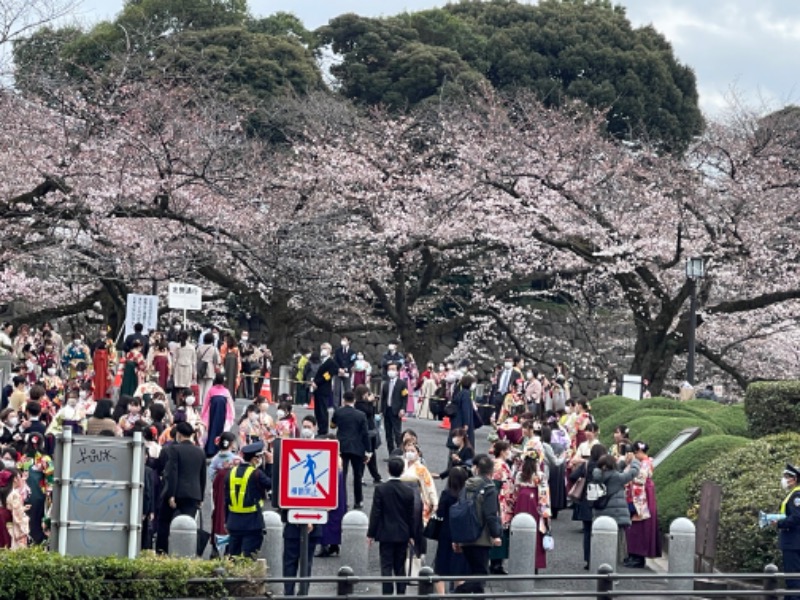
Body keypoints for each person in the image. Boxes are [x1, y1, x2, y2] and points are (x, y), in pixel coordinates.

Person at [455, 454, 503, 594]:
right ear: (491, 471)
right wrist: (496, 534)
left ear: (477, 469)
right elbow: (490, 515)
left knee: (474, 572)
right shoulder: (489, 488)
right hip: (481, 536)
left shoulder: (467, 485)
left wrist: (457, 538)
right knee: (481, 575)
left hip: (465, 534)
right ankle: (457, 593)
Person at [367, 456, 416, 596]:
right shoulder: (408, 491)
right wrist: (412, 535)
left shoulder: (381, 489)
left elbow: (376, 513)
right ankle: (401, 593)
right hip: (403, 532)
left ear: (388, 470)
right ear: (402, 471)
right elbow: (411, 516)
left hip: (386, 532)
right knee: (400, 566)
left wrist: (371, 533)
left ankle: (387, 594)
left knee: (386, 565)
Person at [156, 422, 207, 554]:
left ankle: (162, 552)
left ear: (178, 434)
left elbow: (173, 472)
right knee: (188, 525)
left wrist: (171, 494)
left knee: (164, 523)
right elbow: (202, 475)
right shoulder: (200, 451)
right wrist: (201, 496)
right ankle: (186, 553)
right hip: (194, 494)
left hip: (176, 492)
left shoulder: (175, 449)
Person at [592, 452, 641, 568]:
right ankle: (610, 572)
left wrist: (623, 462)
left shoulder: (596, 475)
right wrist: (634, 461)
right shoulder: (616, 477)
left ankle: (598, 567)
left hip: (600, 514)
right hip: (615, 516)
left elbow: (616, 469)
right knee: (615, 547)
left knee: (601, 545)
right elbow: (632, 473)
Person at [225, 440, 272, 558]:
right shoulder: (256, 473)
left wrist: (226, 521)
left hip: (233, 522)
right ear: (255, 459)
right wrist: (270, 464)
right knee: (248, 559)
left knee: (233, 558)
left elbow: (226, 499)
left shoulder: (231, 472)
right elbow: (271, 484)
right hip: (252, 523)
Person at [512, 438, 551, 573]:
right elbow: (545, 495)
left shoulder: (519, 475)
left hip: (521, 502)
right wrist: (546, 513)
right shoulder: (540, 476)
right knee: (536, 531)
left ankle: (518, 562)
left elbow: (514, 492)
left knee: (519, 529)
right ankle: (534, 564)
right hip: (535, 502)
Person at [624, 441, 662, 568]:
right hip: (636, 495)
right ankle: (633, 554)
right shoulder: (640, 462)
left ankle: (638, 556)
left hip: (642, 497)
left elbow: (640, 478)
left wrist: (629, 474)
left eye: (635, 453)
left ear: (639, 452)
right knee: (633, 527)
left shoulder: (646, 462)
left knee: (640, 527)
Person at [433, 466, 469, 594]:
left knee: (441, 566)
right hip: (462, 534)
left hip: (446, 532)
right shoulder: (467, 495)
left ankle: (441, 596)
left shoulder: (447, 494)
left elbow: (440, 513)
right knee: (459, 567)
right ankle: (459, 593)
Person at [331, 391, 371, 509]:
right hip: (357, 447)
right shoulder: (361, 415)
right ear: (354, 401)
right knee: (357, 475)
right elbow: (365, 434)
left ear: (343, 400)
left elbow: (332, 425)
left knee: (342, 475)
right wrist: (368, 451)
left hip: (342, 446)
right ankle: (358, 501)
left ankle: (343, 500)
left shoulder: (338, 412)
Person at [774, 463, 800, 600]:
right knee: (792, 579)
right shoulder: (793, 494)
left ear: (794, 479)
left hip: (793, 543)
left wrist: (779, 523)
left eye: (786, 476)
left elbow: (797, 517)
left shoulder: (797, 495)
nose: (784, 479)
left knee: (794, 580)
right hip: (793, 542)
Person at [201, 373, 235, 457]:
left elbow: (205, 404)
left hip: (212, 414)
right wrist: (232, 416)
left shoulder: (211, 390)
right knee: (221, 431)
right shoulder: (226, 391)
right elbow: (230, 405)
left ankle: (210, 449)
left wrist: (202, 415)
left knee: (211, 430)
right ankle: (220, 449)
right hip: (222, 415)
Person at [354, 384, 382, 484]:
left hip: (370, 431)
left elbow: (373, 413)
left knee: (372, 455)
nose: (368, 395)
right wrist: (370, 403)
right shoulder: (359, 404)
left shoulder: (364, 403)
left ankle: (376, 476)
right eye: (366, 393)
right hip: (364, 433)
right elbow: (368, 412)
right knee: (364, 455)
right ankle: (359, 477)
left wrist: (372, 403)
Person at [310, 343, 338, 436]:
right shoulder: (322, 361)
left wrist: (317, 382)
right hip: (317, 389)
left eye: (325, 348)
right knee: (317, 410)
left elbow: (328, 375)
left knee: (322, 410)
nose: (323, 350)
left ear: (330, 350)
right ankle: (320, 428)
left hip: (324, 388)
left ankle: (323, 430)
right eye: (322, 348)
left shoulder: (331, 362)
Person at [380, 362, 406, 454]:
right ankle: (391, 453)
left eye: (393, 369)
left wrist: (403, 409)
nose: (391, 371)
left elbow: (404, 397)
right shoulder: (385, 384)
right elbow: (383, 398)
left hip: (396, 411)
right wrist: (381, 410)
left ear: (398, 371)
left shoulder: (402, 383)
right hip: (387, 410)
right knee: (388, 434)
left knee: (397, 433)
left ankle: (399, 452)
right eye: (389, 369)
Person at [450, 373, 476, 448]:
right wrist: (466, 423)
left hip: (457, 421)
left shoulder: (460, 393)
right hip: (463, 422)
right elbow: (466, 410)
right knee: (466, 443)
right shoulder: (466, 394)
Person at [196, 333, 221, 406]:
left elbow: (197, 358)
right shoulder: (214, 349)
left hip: (201, 368)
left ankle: (199, 401)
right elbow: (217, 360)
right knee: (208, 386)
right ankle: (205, 401)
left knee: (200, 385)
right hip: (210, 368)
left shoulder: (199, 347)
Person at [172, 331, 196, 398]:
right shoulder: (192, 347)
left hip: (178, 368)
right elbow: (194, 361)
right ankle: (185, 403)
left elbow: (174, 360)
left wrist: (172, 371)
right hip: (188, 368)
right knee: (186, 388)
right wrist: (194, 373)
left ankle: (178, 404)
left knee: (178, 389)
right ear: (188, 337)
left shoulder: (177, 347)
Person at [333, 335, 356, 407]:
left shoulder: (352, 352)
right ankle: (336, 406)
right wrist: (339, 369)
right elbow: (335, 361)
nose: (343, 341)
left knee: (348, 389)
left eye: (345, 340)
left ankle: (349, 404)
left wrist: (346, 369)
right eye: (342, 339)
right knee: (336, 390)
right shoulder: (337, 351)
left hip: (347, 373)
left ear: (349, 341)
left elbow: (352, 362)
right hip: (338, 372)